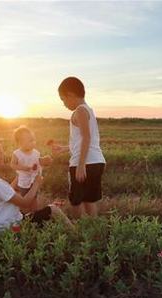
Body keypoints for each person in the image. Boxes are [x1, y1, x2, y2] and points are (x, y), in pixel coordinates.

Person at [0, 137, 72, 233]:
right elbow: (25, 203)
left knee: (39, 214)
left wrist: (18, 177)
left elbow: (3, 193)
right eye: (0, 152)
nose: (3, 154)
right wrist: (36, 184)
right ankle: (77, 235)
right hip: (14, 229)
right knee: (54, 209)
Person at [50, 76, 106, 218]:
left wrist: (81, 165)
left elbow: (86, 137)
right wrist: (64, 148)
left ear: (70, 95)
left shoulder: (80, 111)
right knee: (89, 199)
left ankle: (79, 230)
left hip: (84, 163)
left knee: (76, 201)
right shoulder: (88, 110)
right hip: (96, 161)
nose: (64, 104)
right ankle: (93, 230)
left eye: (63, 99)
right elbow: (84, 140)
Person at [10, 125, 53, 213]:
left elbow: (38, 161)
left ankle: (35, 213)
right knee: (26, 199)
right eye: (30, 141)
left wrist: (44, 160)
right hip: (23, 182)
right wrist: (23, 168)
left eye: (34, 140)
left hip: (34, 180)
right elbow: (12, 165)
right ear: (20, 142)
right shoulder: (17, 154)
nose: (33, 142)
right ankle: (27, 215)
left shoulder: (36, 153)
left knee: (34, 198)